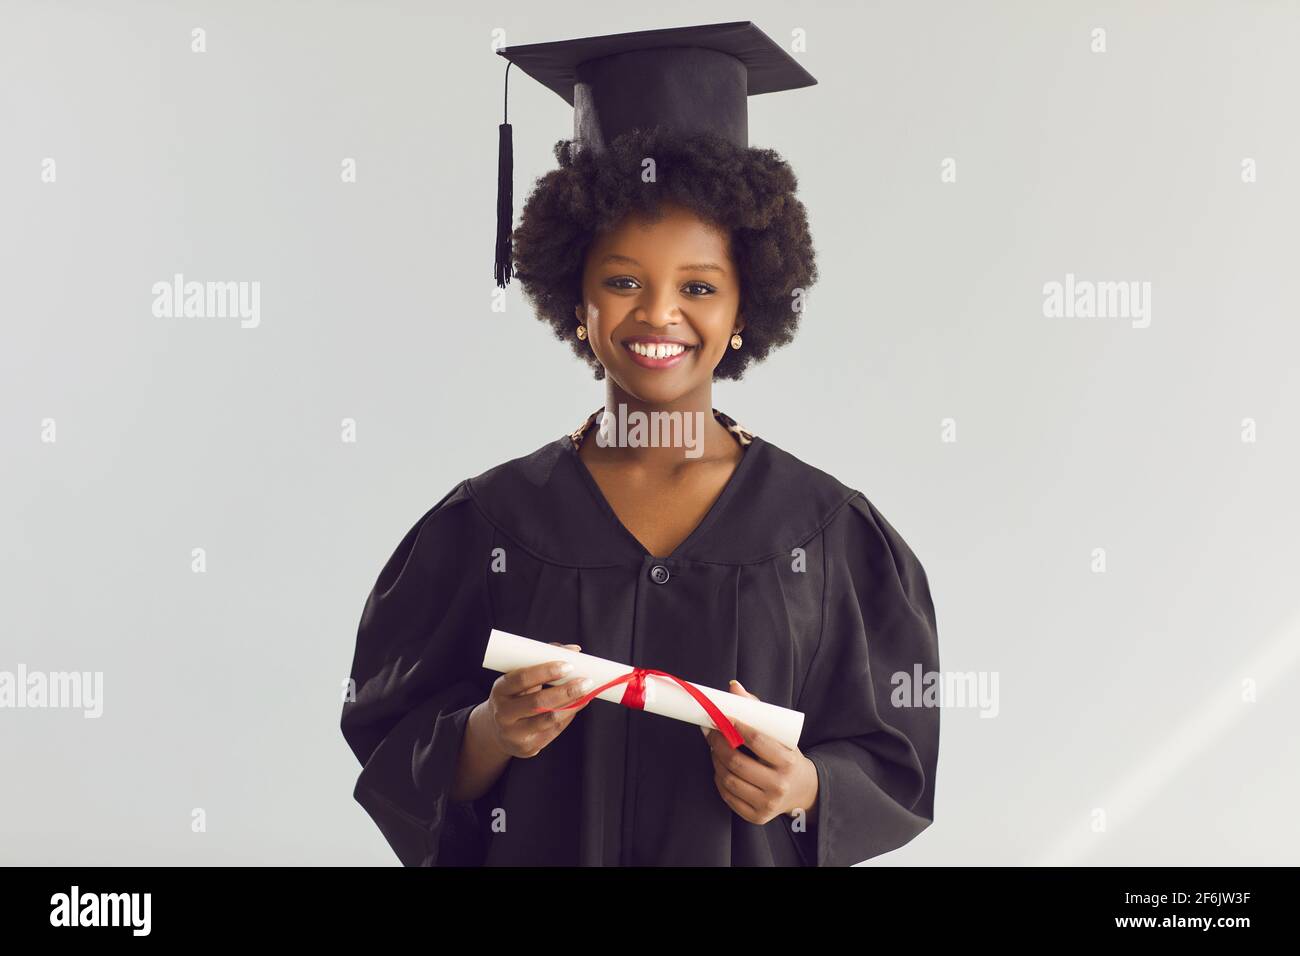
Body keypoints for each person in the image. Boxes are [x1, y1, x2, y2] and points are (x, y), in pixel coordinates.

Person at [340, 21, 940, 866]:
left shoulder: (826, 532)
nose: (659, 314)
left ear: (745, 308)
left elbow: (893, 763)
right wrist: (488, 731)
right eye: (622, 281)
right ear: (574, 300)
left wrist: (805, 789)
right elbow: (391, 743)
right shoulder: (491, 522)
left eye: (699, 286)